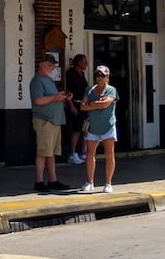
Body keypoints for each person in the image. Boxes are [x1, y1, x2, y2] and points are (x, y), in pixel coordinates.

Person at [30, 53, 72, 192]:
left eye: (54, 66)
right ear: (42, 64)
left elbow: (52, 98)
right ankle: (39, 181)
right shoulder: (37, 81)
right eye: (50, 65)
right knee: (43, 152)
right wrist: (55, 97)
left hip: (54, 120)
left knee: (51, 153)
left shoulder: (48, 79)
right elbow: (38, 100)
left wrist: (63, 96)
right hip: (44, 121)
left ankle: (53, 180)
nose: (52, 68)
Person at [79, 64, 119, 193]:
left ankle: (108, 183)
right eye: (97, 75)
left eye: (102, 75)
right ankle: (89, 181)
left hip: (108, 125)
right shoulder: (89, 89)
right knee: (90, 153)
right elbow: (82, 106)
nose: (99, 77)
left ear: (107, 77)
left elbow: (106, 104)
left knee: (109, 153)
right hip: (93, 126)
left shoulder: (111, 90)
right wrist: (95, 104)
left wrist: (91, 104)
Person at [64, 54, 89, 164]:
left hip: (83, 105)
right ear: (78, 62)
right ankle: (72, 154)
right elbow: (68, 91)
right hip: (74, 104)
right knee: (76, 130)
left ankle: (83, 152)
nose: (86, 64)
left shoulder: (82, 74)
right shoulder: (71, 74)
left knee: (85, 129)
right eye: (84, 62)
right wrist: (72, 106)